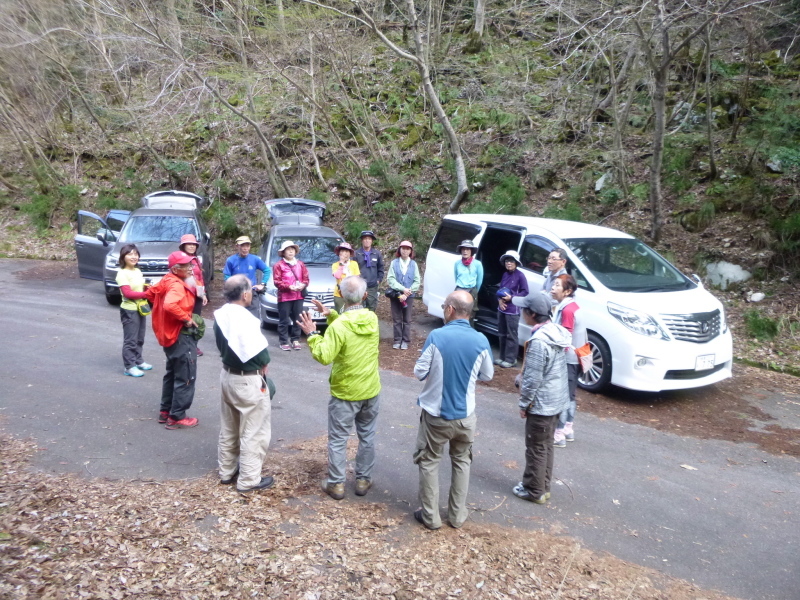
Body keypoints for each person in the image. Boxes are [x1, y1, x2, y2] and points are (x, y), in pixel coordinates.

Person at [412, 290, 494, 530]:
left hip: (436, 415)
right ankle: (457, 516)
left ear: (450, 310)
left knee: (429, 461)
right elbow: (488, 374)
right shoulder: (481, 340)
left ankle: (431, 517)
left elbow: (419, 372)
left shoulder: (437, 336)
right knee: (461, 461)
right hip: (466, 416)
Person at [297, 276, 380, 501]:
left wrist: (313, 334)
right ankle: (363, 479)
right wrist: (331, 315)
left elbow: (324, 355)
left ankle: (336, 484)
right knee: (367, 436)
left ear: (341, 295)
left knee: (338, 439)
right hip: (370, 389)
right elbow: (349, 327)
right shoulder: (372, 318)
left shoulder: (341, 326)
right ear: (365, 296)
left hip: (345, 392)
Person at [214, 275, 275, 494]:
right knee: (253, 430)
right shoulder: (245, 319)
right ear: (246, 294)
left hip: (227, 375)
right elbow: (261, 355)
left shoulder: (220, 316)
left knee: (229, 426)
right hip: (247, 379)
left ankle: (226, 471)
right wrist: (263, 365)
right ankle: (249, 479)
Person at [510, 292, 571, 504]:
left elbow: (533, 379)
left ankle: (533, 490)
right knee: (545, 446)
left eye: (524, 309)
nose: (521, 312)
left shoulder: (539, 341)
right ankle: (543, 487)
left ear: (532, 313)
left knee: (536, 446)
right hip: (556, 402)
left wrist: (524, 404)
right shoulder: (555, 332)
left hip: (542, 404)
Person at [146, 251, 202, 430]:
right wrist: (185, 318)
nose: (191, 268)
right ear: (176, 269)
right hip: (180, 335)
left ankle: (166, 411)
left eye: (191, 265)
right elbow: (170, 304)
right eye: (187, 266)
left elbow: (150, 294)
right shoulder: (176, 285)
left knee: (172, 373)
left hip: (167, 334)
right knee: (186, 375)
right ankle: (177, 416)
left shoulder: (166, 280)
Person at [550, 274, 586, 447]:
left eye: (557, 285)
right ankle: (568, 429)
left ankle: (558, 434)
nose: (552, 287)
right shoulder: (572, 306)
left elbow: (565, 337)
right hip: (577, 357)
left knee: (563, 396)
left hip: (568, 359)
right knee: (570, 395)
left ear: (567, 291)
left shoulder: (567, 310)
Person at [115, 244, 152, 377]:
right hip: (129, 309)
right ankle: (129, 366)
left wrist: (148, 289)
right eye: (130, 254)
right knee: (130, 339)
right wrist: (146, 295)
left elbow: (140, 288)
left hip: (140, 308)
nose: (134, 257)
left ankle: (138, 360)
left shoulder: (137, 271)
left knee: (140, 337)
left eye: (136, 254)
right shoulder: (122, 273)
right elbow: (128, 293)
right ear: (123, 257)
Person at [272, 240, 310, 351]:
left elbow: (306, 278)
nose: (290, 252)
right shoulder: (278, 265)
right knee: (284, 320)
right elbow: (277, 281)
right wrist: (289, 287)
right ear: (283, 252)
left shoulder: (300, 264)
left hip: (298, 296)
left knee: (298, 318)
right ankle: (283, 341)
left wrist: (303, 285)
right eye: (288, 250)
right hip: (284, 297)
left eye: (292, 249)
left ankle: (295, 339)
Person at [495, 250, 529, 369]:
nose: (508, 263)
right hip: (502, 308)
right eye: (507, 261)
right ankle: (502, 357)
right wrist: (499, 300)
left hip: (513, 310)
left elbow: (525, 292)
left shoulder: (520, 275)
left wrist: (512, 297)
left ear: (516, 262)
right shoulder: (505, 274)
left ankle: (511, 359)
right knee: (502, 333)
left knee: (511, 335)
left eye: (511, 261)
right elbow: (500, 289)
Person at [223, 236, 271, 319]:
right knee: (235, 318)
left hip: (251, 292)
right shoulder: (231, 260)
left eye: (247, 246)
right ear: (237, 246)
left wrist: (262, 284)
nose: (245, 248)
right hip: (236, 293)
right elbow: (227, 276)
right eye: (242, 246)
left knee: (253, 318)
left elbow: (267, 270)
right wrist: (231, 287)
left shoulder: (255, 259)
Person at [386, 240, 420, 350]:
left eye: (407, 249)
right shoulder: (394, 263)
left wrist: (408, 292)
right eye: (403, 248)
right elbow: (390, 279)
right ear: (399, 249)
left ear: (411, 251)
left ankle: (405, 340)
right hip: (396, 295)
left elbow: (417, 281)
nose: (405, 251)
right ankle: (397, 340)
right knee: (396, 319)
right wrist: (402, 289)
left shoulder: (413, 264)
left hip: (408, 297)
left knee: (407, 319)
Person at [179, 234, 208, 356]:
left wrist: (203, 294)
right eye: (188, 244)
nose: (191, 246)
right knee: (185, 320)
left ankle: (193, 345)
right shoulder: (179, 259)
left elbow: (200, 278)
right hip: (185, 295)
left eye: (193, 244)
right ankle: (184, 346)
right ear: (183, 246)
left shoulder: (196, 260)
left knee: (196, 319)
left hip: (197, 295)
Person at [453, 239, 483, 326]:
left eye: (468, 249)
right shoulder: (457, 263)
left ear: (471, 251)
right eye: (463, 249)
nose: (465, 251)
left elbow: (479, 280)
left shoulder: (477, 264)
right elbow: (456, 277)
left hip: (471, 290)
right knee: (456, 314)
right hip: (459, 289)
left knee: (470, 316)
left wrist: (474, 292)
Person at [354, 230, 384, 312]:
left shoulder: (377, 254)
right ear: (362, 240)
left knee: (371, 307)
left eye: (369, 239)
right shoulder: (356, 254)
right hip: (359, 286)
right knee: (358, 307)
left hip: (372, 286)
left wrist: (379, 280)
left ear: (372, 241)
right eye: (365, 239)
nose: (367, 241)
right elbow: (352, 269)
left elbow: (381, 268)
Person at [331, 242, 360, 313]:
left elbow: (357, 277)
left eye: (347, 251)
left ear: (350, 253)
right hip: (339, 294)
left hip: (352, 293)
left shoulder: (354, 264)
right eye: (343, 251)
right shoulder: (335, 265)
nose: (345, 253)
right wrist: (341, 264)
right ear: (339, 253)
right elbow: (337, 276)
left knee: (352, 314)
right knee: (340, 314)